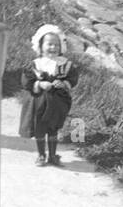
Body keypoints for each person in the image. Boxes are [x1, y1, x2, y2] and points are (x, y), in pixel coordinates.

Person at [20, 24, 79, 166]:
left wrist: (63, 83)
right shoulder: (36, 64)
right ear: (40, 46)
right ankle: (41, 155)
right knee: (40, 128)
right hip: (39, 101)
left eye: (56, 45)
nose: (53, 48)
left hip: (57, 102)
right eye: (49, 44)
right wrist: (40, 84)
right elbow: (26, 81)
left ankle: (52, 155)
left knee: (53, 128)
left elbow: (72, 78)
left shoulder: (65, 64)